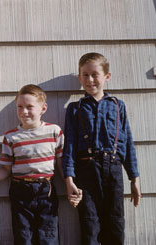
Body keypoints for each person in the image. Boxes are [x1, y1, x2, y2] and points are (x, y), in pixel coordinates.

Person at [62, 52, 141, 245]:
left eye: (95, 74)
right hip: (86, 169)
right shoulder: (75, 108)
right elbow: (69, 146)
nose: (90, 80)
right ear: (80, 78)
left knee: (115, 220)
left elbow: (128, 143)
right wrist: (69, 179)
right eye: (85, 75)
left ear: (107, 76)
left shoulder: (117, 105)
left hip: (114, 168)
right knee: (90, 222)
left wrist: (134, 178)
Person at [0, 84, 64, 245]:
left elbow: (62, 164)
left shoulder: (54, 132)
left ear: (43, 108)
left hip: (45, 190)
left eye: (29, 107)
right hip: (20, 191)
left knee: (48, 236)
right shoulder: (11, 137)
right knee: (23, 236)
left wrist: (69, 183)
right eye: (20, 107)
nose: (24, 111)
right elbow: (6, 170)